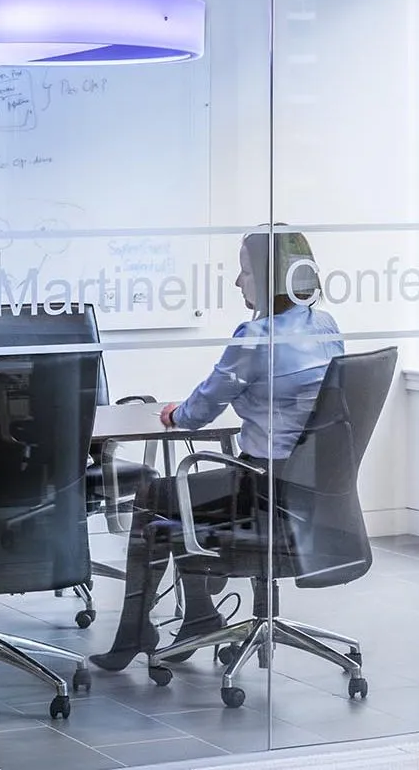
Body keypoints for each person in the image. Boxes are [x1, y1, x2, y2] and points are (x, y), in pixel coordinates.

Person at [87, 229, 344, 671]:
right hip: (310, 490)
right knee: (181, 500)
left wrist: (173, 413)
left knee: (158, 497)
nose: (237, 282)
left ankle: (138, 629)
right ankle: (198, 616)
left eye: (244, 271)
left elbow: (198, 411)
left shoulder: (257, 335)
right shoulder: (324, 326)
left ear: (267, 277)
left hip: (265, 488)